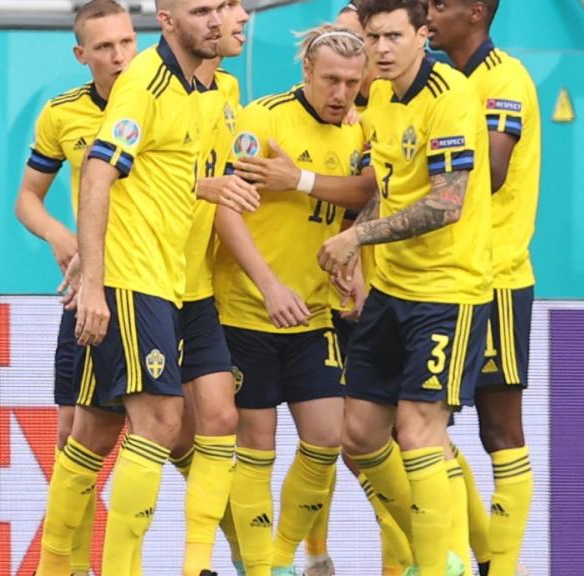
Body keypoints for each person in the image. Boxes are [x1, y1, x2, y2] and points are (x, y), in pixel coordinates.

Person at [35, 0, 234, 572]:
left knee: (100, 431)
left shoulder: (202, 89)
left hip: (176, 284)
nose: (217, 21)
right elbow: (98, 172)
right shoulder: (144, 81)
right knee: (159, 422)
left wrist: (210, 188)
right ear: (168, 19)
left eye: (221, 8)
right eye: (202, 11)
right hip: (133, 278)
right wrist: (93, 284)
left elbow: (167, 177)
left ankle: (61, 566)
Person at [316, 0, 493, 572]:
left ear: (422, 35)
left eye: (394, 35)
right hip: (391, 291)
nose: (382, 49)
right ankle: (427, 544)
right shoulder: (382, 98)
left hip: (448, 292)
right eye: (374, 37)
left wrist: (357, 240)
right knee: (361, 437)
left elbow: (447, 203)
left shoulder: (453, 96)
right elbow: (384, 187)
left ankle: (443, 561)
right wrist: (359, 248)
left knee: (419, 432)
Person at [211, 23, 369, 576]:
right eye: (330, 79)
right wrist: (269, 286)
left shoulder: (356, 132)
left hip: (314, 313)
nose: (341, 93)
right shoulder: (264, 119)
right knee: (256, 443)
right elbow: (226, 209)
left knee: (328, 438)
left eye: (352, 82)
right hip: (248, 311)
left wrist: (353, 262)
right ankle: (261, 568)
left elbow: (359, 204)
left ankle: (278, 559)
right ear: (306, 71)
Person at [16, 2, 136, 574]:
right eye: (105, 47)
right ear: (81, 54)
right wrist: (60, 235)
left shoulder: (164, 98)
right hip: (93, 292)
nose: (118, 56)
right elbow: (27, 199)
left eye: (125, 42)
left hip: (162, 289)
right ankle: (75, 566)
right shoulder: (62, 113)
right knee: (74, 435)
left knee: (186, 431)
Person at [427, 2, 539, 574]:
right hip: (440, 278)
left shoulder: (504, 78)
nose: (429, 11)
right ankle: (475, 555)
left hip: (495, 279)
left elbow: (491, 171)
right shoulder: (441, 80)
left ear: (476, 12)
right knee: (424, 427)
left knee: (500, 428)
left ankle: (503, 565)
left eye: (441, 4)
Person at [168, 0, 257, 574]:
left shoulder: (227, 95)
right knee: (167, 436)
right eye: (222, 5)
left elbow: (223, 191)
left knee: (222, 421)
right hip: (146, 282)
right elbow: (125, 178)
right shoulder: (150, 87)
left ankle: (201, 563)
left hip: (197, 286)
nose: (240, 15)